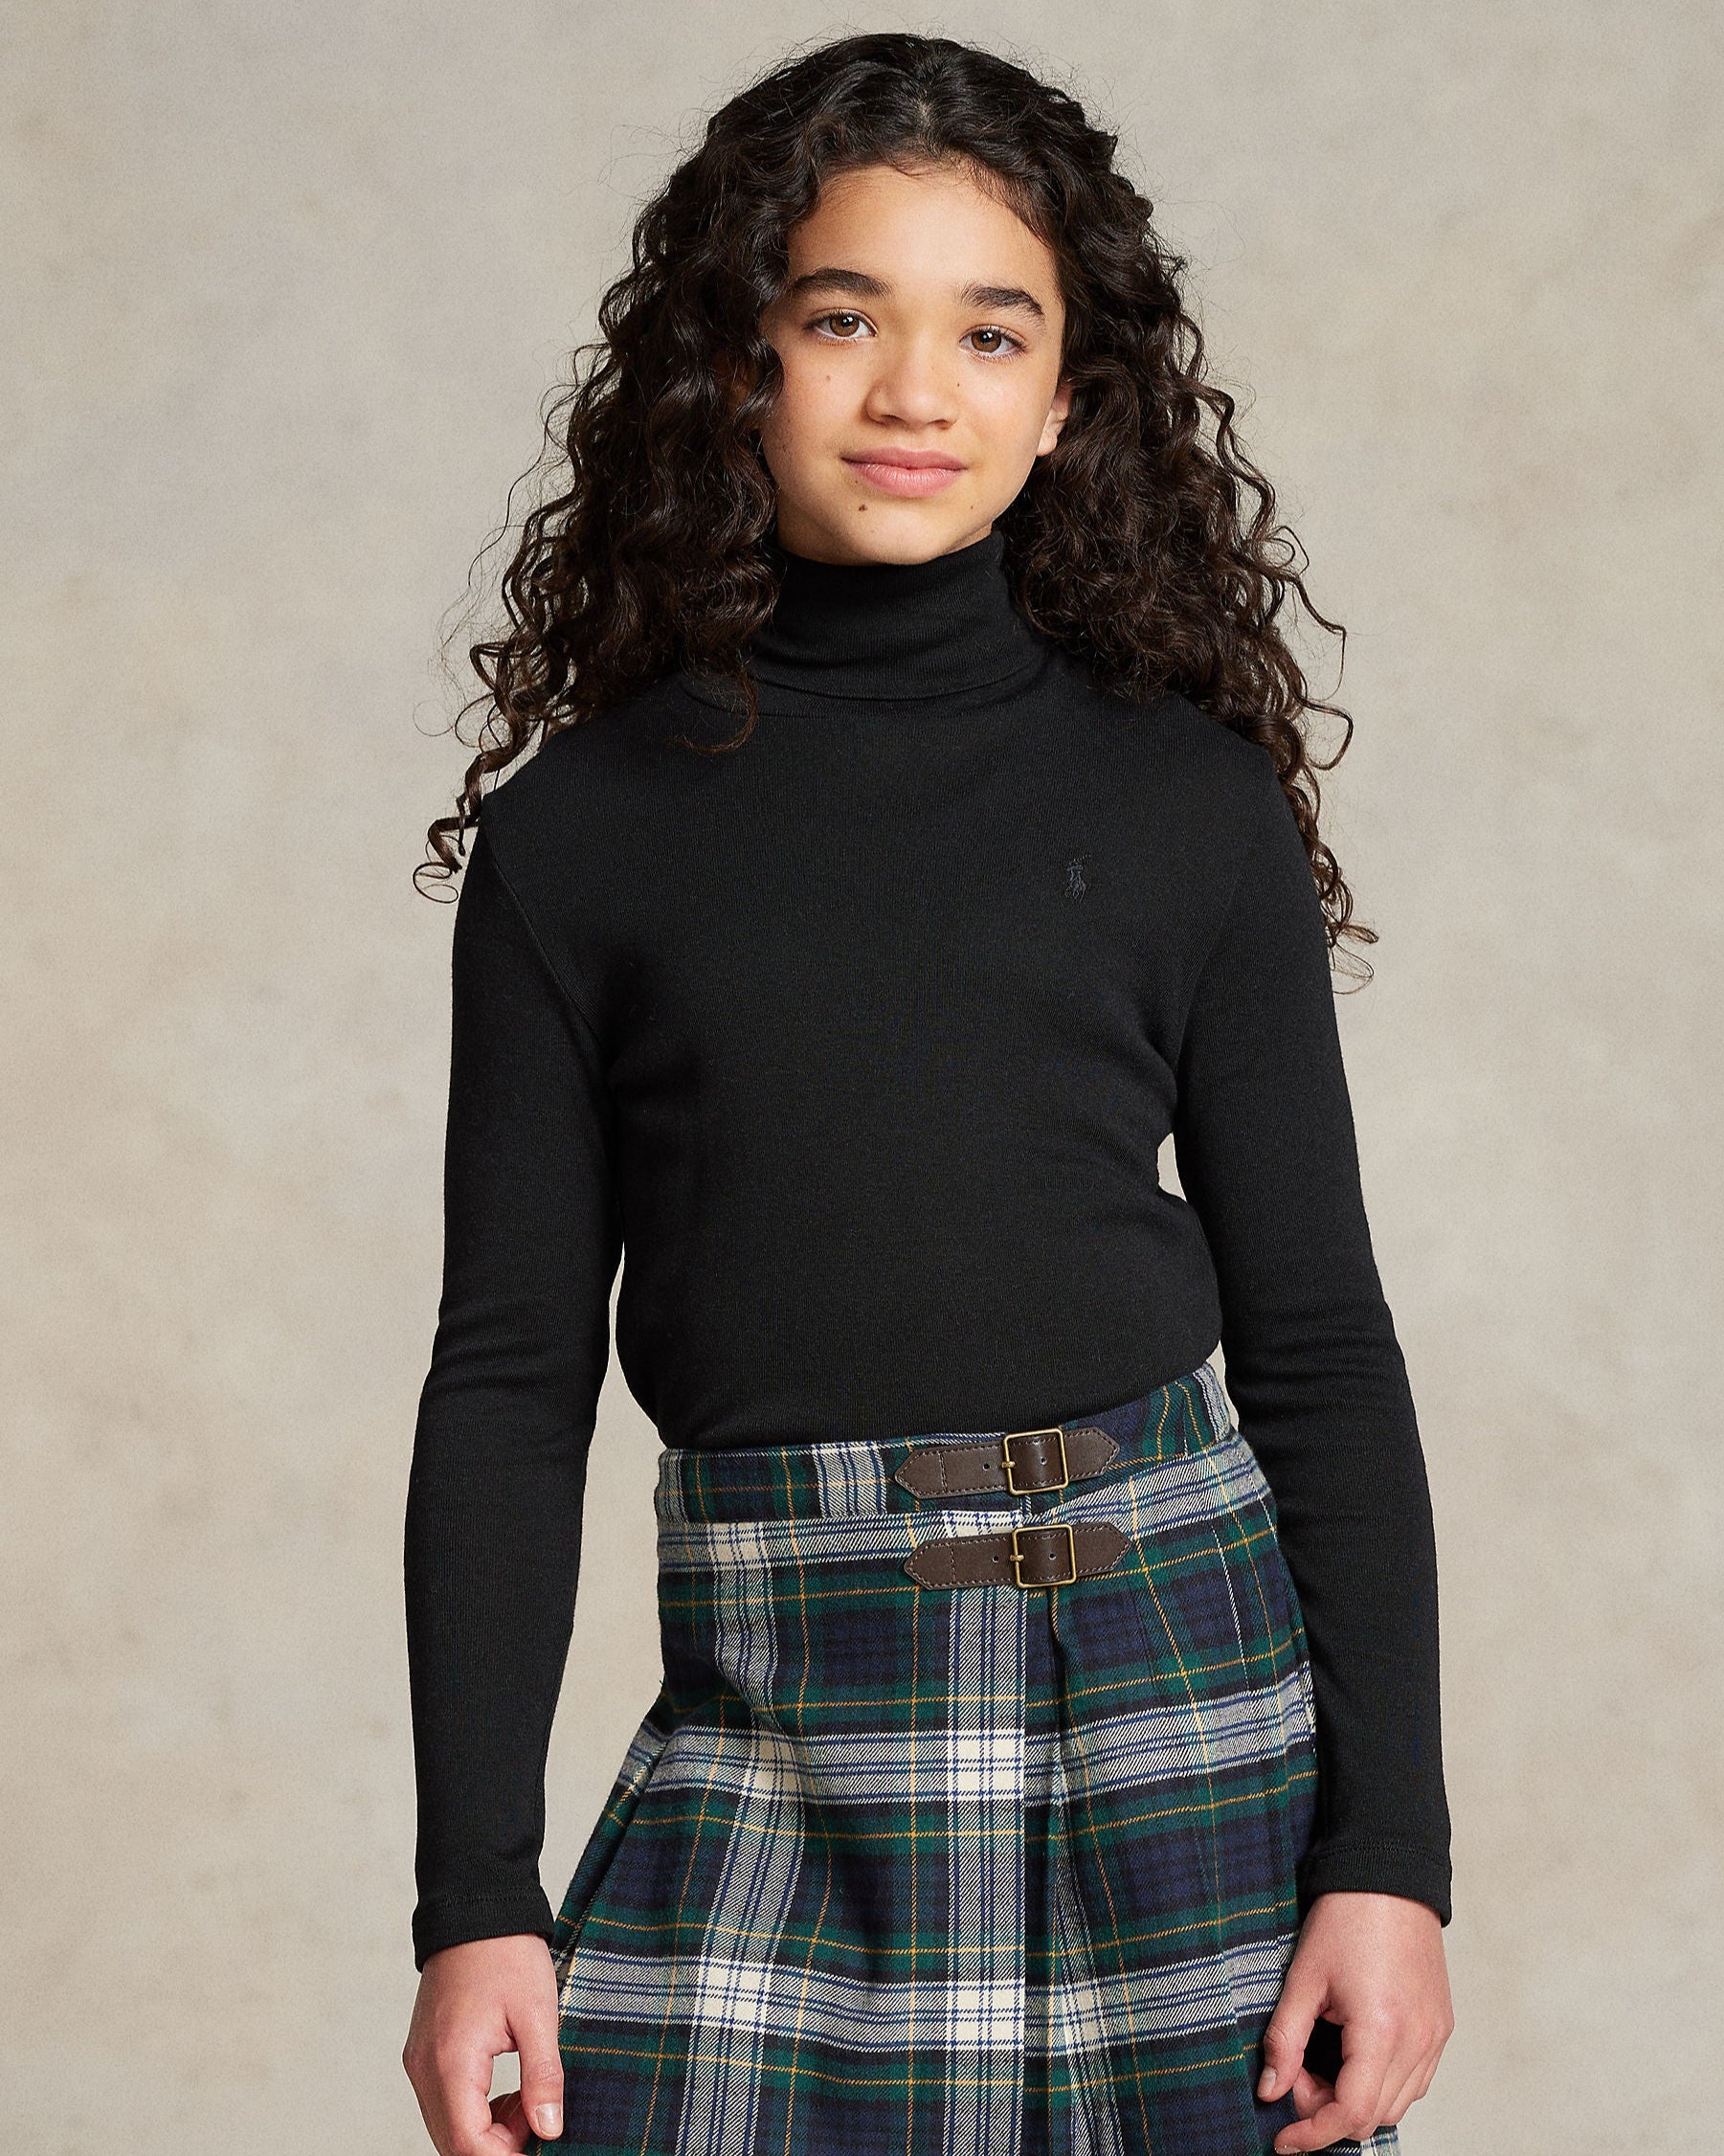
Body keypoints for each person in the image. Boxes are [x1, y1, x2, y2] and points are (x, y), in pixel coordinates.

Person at [399, 32, 1455, 2156]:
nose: (914, 392)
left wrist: (1392, 1858)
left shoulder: (1185, 804)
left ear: (1067, 401)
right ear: (732, 364)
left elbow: (1321, 1343)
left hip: (1181, 1699)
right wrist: (475, 1896)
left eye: (991, 331)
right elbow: (509, 1381)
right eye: (839, 319)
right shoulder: (581, 837)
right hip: (784, 1705)